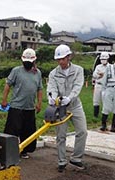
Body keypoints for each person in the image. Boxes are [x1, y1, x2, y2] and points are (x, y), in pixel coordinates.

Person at [47, 44, 87, 172]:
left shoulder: (78, 70)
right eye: (58, 59)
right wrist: (52, 97)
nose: (60, 62)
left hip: (75, 105)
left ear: (69, 57)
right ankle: (61, 161)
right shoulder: (53, 73)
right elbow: (52, 87)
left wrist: (70, 98)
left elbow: (78, 86)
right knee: (61, 135)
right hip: (60, 108)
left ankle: (76, 158)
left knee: (82, 131)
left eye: (63, 59)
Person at [1, 48, 43, 159]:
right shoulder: (16, 71)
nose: (27, 64)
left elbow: (40, 89)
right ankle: (10, 152)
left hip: (29, 108)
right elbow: (7, 85)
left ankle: (24, 150)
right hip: (16, 106)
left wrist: (39, 103)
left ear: (34, 61)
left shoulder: (37, 73)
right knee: (12, 131)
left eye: (29, 62)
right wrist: (4, 100)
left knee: (28, 130)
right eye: (25, 62)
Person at [100, 53, 115, 132]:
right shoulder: (109, 67)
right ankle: (103, 125)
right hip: (109, 88)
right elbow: (104, 80)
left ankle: (113, 126)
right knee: (106, 107)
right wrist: (103, 91)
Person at [92, 52, 109, 118]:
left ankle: (104, 116)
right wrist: (99, 75)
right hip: (98, 85)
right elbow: (94, 75)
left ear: (107, 59)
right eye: (102, 59)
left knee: (104, 101)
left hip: (105, 86)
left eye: (104, 59)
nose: (103, 60)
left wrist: (103, 75)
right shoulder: (98, 66)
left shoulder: (110, 67)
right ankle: (95, 115)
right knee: (96, 100)